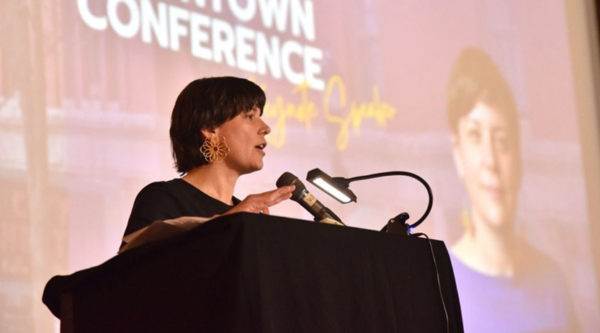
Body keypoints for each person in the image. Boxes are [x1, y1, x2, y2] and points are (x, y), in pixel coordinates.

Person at [447, 48, 579, 332]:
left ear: (518, 158)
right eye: (474, 136)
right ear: (457, 153)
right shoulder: (440, 286)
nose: (491, 161)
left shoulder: (552, 282)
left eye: (502, 140)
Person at [120, 77, 294, 251]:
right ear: (211, 129)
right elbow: (133, 271)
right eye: (249, 116)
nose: (266, 128)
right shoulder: (163, 198)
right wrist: (227, 222)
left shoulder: (251, 216)